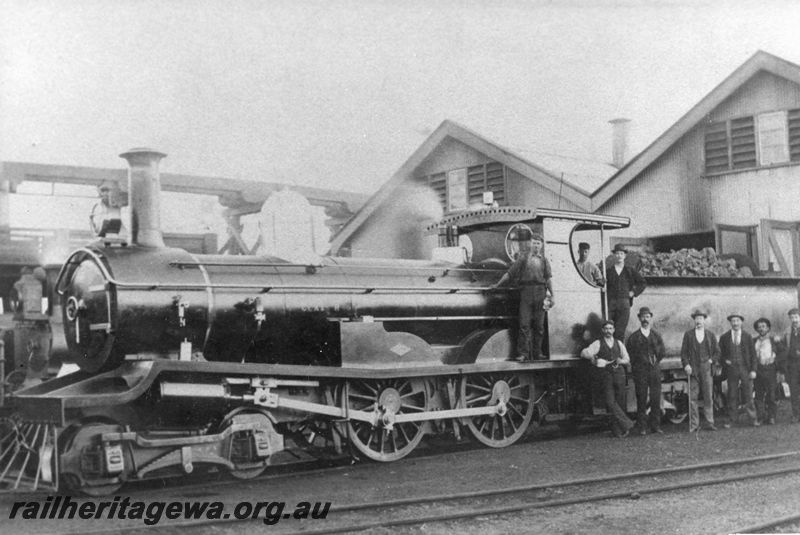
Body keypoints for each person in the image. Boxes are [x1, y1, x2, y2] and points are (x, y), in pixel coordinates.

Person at [493, 228, 554, 361]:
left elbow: (548, 278)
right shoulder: (523, 258)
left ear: (541, 245)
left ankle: (537, 353)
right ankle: (523, 354)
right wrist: (497, 285)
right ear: (530, 244)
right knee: (524, 324)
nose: (536, 245)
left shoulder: (544, 261)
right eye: (534, 242)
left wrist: (552, 295)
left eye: (538, 243)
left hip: (540, 293)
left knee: (539, 326)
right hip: (525, 292)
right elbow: (510, 273)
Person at [581, 320, 635, 437]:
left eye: (610, 329)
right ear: (602, 330)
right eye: (606, 329)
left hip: (619, 374)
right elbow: (584, 353)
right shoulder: (598, 343)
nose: (608, 331)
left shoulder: (619, 343)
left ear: (614, 330)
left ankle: (618, 431)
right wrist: (593, 359)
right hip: (606, 375)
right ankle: (626, 424)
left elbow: (627, 359)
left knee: (620, 402)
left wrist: (621, 360)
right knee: (610, 402)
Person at [625, 307, 666, 435]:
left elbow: (662, 352)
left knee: (655, 398)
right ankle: (642, 427)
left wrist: (654, 362)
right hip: (640, 372)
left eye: (647, 317)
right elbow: (630, 354)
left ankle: (655, 426)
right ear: (639, 318)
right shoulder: (634, 337)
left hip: (654, 371)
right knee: (641, 399)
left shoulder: (656, 336)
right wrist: (638, 365)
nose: (645, 319)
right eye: (643, 317)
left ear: (650, 318)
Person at [681, 310, 720, 432]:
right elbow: (684, 353)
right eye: (696, 319)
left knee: (708, 396)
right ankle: (694, 425)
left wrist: (710, 361)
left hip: (706, 368)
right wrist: (686, 365)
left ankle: (709, 422)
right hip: (693, 369)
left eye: (701, 318)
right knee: (693, 397)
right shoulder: (688, 335)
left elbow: (717, 352)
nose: (698, 321)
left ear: (704, 320)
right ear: (694, 320)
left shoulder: (710, 335)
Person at [718, 313, 758, 427]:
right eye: (733, 321)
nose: (735, 323)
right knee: (732, 394)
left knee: (748, 394)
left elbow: (753, 355)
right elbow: (719, 354)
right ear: (730, 323)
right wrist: (725, 361)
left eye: (737, 321)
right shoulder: (724, 337)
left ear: (741, 322)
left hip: (745, 369)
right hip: (731, 370)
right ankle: (732, 419)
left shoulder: (747, 336)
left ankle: (753, 419)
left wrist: (753, 370)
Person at [605, 244, 646, 341]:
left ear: (625, 255)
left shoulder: (630, 270)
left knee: (620, 331)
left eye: (621, 253)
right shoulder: (608, 271)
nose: (619, 255)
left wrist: (633, 292)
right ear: (614, 255)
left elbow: (642, 283)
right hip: (611, 304)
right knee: (609, 330)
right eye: (617, 253)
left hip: (624, 304)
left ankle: (619, 354)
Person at [753, 317, 780, 425]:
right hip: (758, 370)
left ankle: (771, 416)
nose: (761, 329)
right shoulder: (753, 341)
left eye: (764, 326)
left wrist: (775, 356)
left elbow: (783, 353)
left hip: (771, 370)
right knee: (758, 395)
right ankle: (760, 416)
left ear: (768, 328)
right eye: (759, 327)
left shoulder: (774, 340)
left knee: (772, 394)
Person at [778, 308, 800, 423]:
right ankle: (796, 414)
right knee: (794, 390)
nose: (794, 320)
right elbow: (782, 345)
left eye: (796, 317)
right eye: (792, 318)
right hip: (792, 365)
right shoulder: (787, 331)